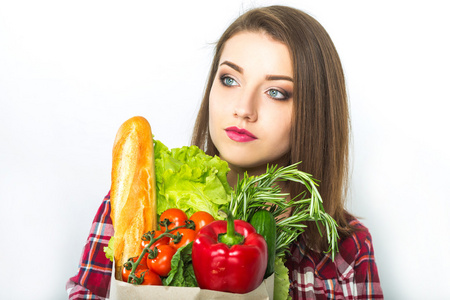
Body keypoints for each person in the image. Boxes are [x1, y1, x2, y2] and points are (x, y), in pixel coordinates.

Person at [67, 5, 383, 299]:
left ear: (315, 111)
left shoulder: (347, 248)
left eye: (276, 92)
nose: (243, 109)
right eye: (229, 79)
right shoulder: (137, 205)